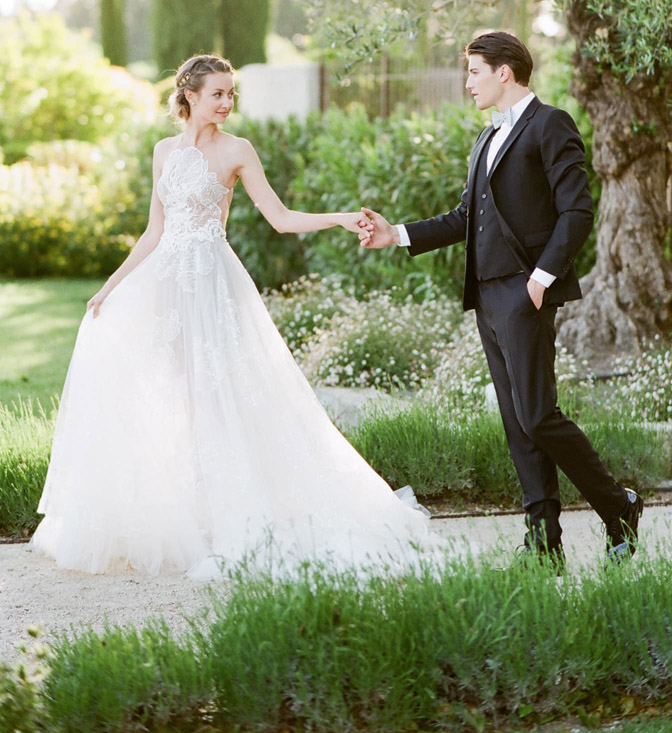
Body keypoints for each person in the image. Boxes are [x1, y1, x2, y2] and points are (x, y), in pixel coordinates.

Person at [31, 54, 442, 579]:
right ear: (190, 95)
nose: (226, 103)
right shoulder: (163, 152)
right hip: (166, 289)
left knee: (221, 398)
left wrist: (339, 218)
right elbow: (154, 232)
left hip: (213, 286)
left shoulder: (237, 150)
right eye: (218, 94)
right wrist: (110, 287)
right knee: (168, 398)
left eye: (231, 94)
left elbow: (281, 218)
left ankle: (235, 516)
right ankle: (184, 515)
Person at [359, 32, 643, 571]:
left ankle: (618, 505)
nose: (467, 83)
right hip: (488, 296)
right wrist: (394, 234)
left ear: (504, 72)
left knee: (537, 416)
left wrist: (541, 278)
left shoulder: (549, 124)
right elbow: (466, 219)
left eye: (473, 72)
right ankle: (544, 544)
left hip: (526, 291)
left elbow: (577, 211)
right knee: (517, 422)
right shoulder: (486, 139)